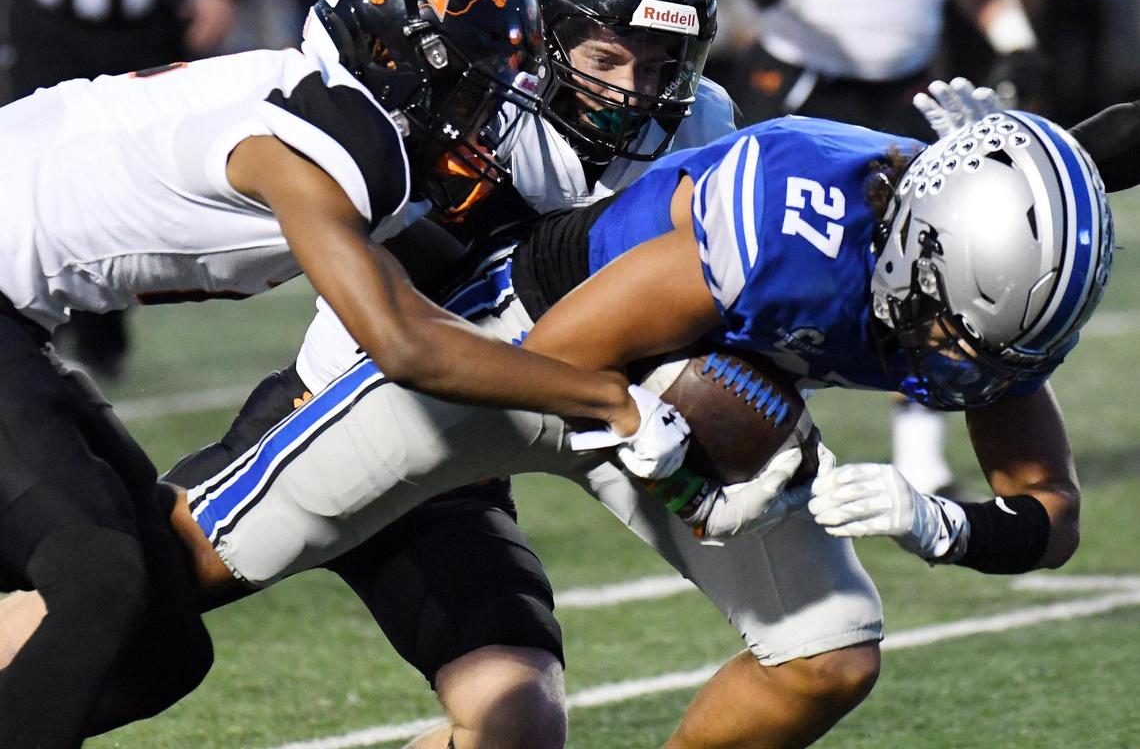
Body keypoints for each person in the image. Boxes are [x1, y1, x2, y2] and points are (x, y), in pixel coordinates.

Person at [10, 80, 1114, 746]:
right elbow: (565, 356)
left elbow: (1049, 512)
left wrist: (946, 527)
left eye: (998, 348)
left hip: (682, 401)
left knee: (827, 652)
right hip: (512, 350)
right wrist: (689, 477)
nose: (965, 367)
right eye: (956, 331)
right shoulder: (791, 229)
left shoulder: (983, 282)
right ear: (917, 246)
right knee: (162, 585)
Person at [0, 0, 692, 748]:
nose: (488, 120)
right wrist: (610, 403)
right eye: (476, 90)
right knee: (103, 584)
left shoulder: (341, 112)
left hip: (24, 324)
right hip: (266, 394)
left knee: (159, 643)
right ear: (398, 65)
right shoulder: (328, 138)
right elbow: (402, 343)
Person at [186, 0, 733, 749]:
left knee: (519, 723)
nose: (634, 94)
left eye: (661, 67)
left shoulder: (696, 134)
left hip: (454, 467)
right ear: (540, 34)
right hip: (322, 414)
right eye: (608, 57)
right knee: (114, 609)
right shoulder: (464, 99)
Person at [689, 0, 1048, 500]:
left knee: (937, 264)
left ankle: (919, 450)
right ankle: (724, 425)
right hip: (802, 73)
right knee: (745, 258)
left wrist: (1011, 34)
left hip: (906, 80)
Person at [0, 0, 264, 378]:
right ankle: (34, 325)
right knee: (33, 176)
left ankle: (102, 336)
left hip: (153, 25)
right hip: (46, 26)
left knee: (134, 183)